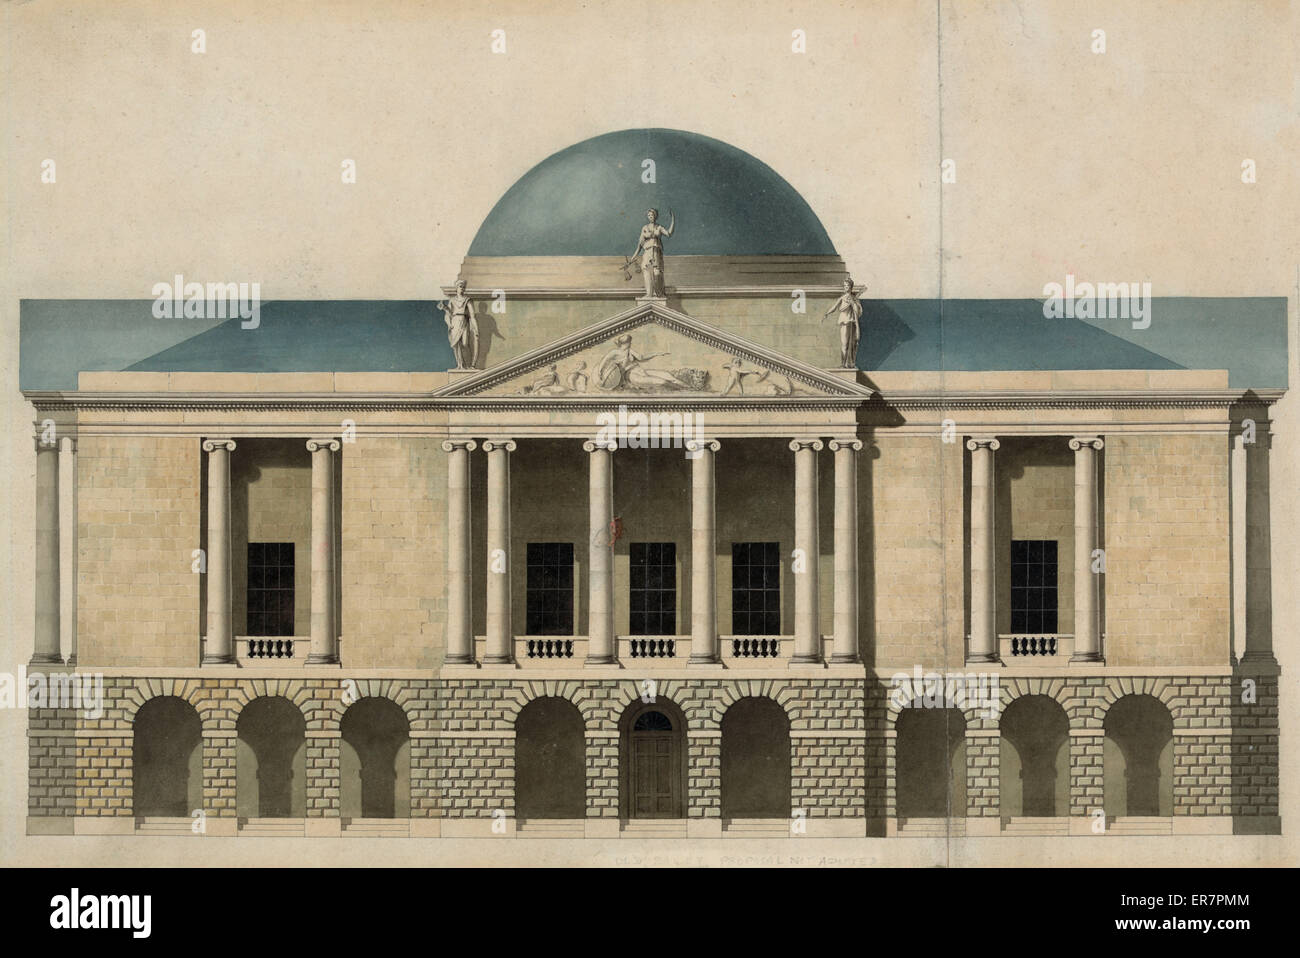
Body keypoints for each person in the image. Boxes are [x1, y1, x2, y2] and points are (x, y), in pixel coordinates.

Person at [627, 209, 675, 298]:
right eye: (649, 215)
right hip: (647, 252)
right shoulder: (645, 228)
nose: (650, 217)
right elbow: (639, 245)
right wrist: (632, 258)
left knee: (657, 273)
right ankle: (649, 293)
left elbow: (668, 233)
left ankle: (659, 293)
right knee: (647, 272)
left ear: (655, 216)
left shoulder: (659, 227)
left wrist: (673, 220)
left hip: (656, 252)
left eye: (652, 215)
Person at [823, 276, 863, 368]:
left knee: (852, 344)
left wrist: (853, 303)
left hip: (852, 323)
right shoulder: (842, 298)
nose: (845, 288)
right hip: (844, 323)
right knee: (844, 344)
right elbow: (834, 307)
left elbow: (858, 311)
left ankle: (850, 363)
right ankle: (843, 364)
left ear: (851, 287)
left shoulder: (854, 298)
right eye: (844, 286)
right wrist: (827, 313)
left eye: (847, 286)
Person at [440, 280, 478, 370]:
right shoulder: (452, 300)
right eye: (460, 286)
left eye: (463, 287)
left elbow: (472, 315)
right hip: (455, 322)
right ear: (456, 288)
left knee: (465, 343)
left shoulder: (467, 300)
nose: (462, 288)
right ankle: (460, 365)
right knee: (456, 344)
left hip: (464, 321)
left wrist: (475, 328)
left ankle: (468, 365)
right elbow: (449, 313)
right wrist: (445, 308)